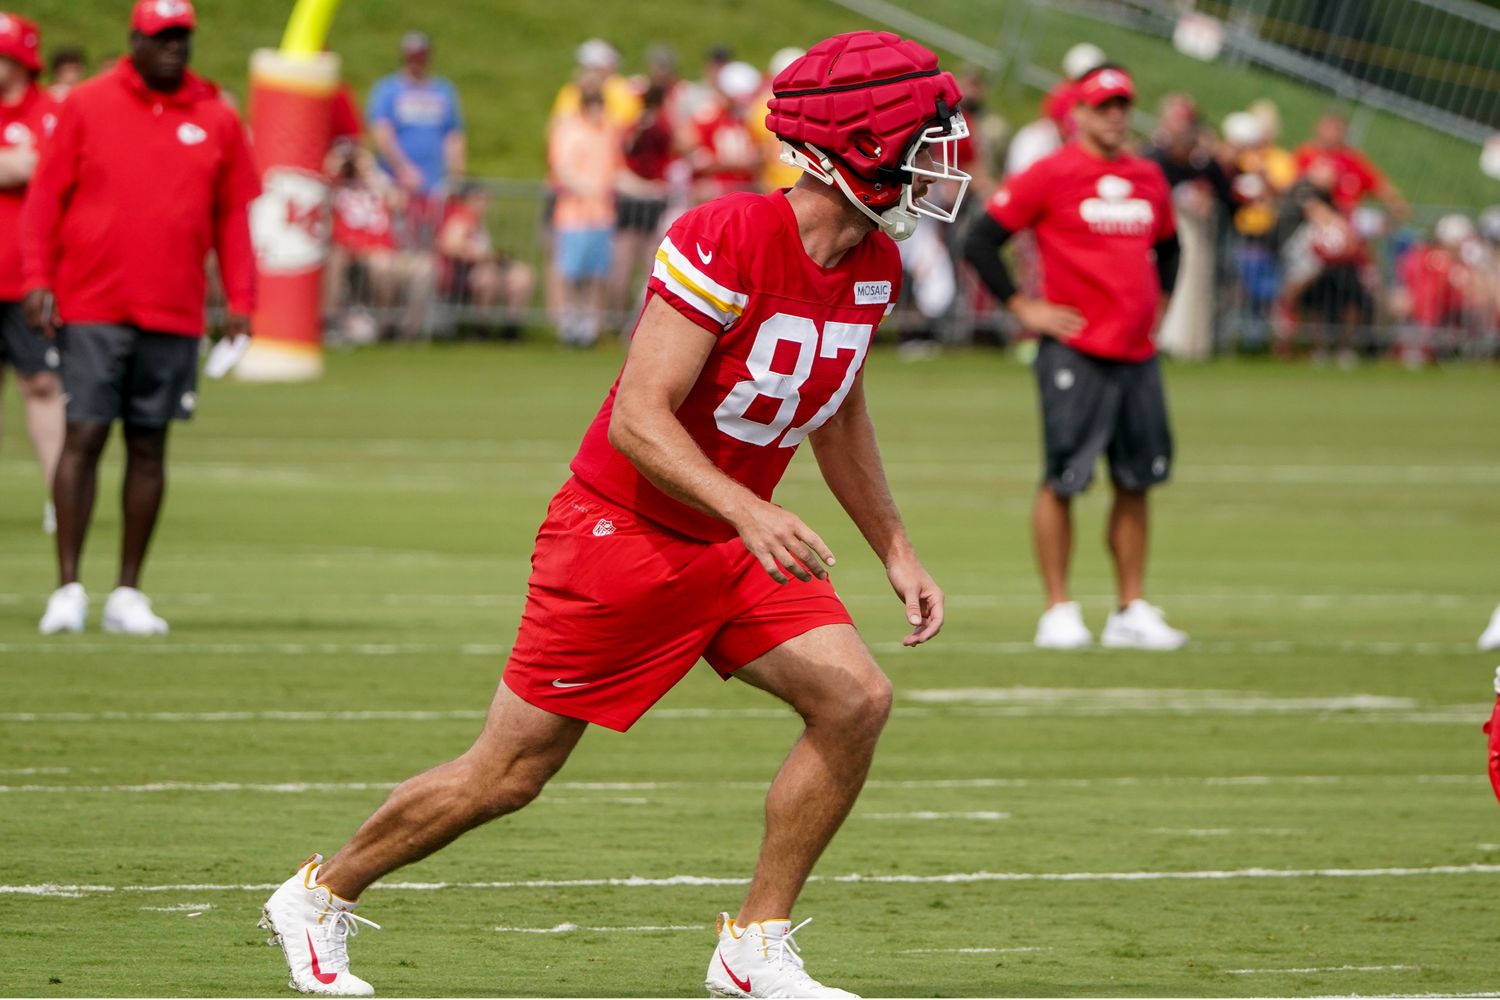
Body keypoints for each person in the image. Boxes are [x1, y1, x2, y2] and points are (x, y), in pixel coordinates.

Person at [259, 29, 969, 999]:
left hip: (730, 537)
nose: (945, 163)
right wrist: (746, 509)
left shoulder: (872, 263)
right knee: (508, 773)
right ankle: (318, 891)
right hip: (624, 538)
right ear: (860, 146)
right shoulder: (727, 234)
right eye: (927, 141)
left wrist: (895, 545)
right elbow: (639, 417)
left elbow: (836, 409)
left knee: (856, 698)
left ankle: (752, 945)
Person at [22, 0, 259, 636]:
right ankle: (67, 586)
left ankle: (128, 591)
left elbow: (233, 217)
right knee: (86, 435)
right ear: (135, 40)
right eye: (161, 37)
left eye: (182, 36)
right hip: (94, 302)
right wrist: (37, 278)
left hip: (175, 309)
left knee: (150, 445)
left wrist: (241, 300)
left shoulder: (216, 115)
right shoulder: (87, 103)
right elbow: (45, 196)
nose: (174, 48)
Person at [962, 64, 1187, 651]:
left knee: (1137, 479)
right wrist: (1023, 307)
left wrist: (1158, 306)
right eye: (1103, 105)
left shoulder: (1148, 177)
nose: (1115, 115)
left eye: (1122, 105)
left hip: (1136, 353)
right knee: (1064, 477)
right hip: (1075, 351)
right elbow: (981, 238)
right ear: (1079, 113)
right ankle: (1058, 608)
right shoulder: (1050, 173)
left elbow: (1169, 247)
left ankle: (1130, 607)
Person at [0, 12, 62, 535]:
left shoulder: (50, 111)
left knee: (42, 382)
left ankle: (60, 496)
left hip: (27, 279)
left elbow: (45, 169)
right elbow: (17, 167)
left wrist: (23, 165)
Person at [366, 31, 464, 244]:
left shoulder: (443, 91)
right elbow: (382, 132)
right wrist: (403, 169)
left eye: (421, 56)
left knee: (430, 245)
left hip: (435, 187)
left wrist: (455, 174)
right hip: (397, 185)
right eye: (412, 56)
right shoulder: (388, 90)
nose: (417, 62)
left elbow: (453, 135)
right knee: (399, 242)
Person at [436, 182, 534, 340]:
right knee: (487, 278)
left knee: (523, 275)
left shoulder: (478, 220)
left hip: (489, 265)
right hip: (465, 270)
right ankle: (481, 327)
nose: (484, 203)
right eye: (479, 199)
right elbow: (449, 244)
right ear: (467, 200)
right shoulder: (462, 218)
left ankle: (512, 327)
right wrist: (481, 256)